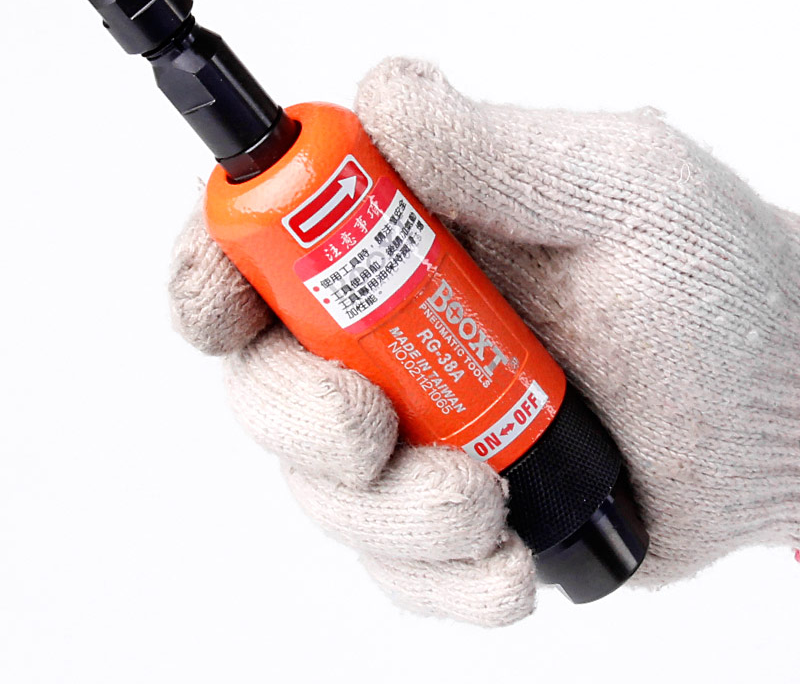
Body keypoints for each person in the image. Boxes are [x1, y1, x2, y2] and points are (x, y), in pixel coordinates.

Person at [168, 57, 800, 627]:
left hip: (569, 438)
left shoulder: (331, 142)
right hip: (531, 445)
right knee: (343, 420)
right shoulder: (268, 200)